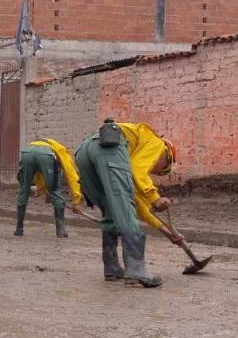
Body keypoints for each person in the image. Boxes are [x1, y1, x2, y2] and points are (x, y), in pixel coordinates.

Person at [73, 119, 183, 288]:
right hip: (110, 147)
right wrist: (154, 197)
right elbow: (138, 171)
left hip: (84, 152)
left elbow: (137, 206)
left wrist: (166, 232)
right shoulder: (158, 144)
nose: (153, 169)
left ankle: (111, 267)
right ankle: (136, 269)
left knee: (111, 208)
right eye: (158, 169)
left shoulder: (133, 150)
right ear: (167, 157)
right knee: (124, 207)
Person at [15, 138, 84, 239]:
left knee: (24, 189)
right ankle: (60, 230)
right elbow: (71, 176)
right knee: (55, 191)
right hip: (45, 155)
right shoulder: (62, 152)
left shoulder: (38, 145)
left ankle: (19, 229)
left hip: (27, 152)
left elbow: (39, 174)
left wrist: (41, 190)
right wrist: (76, 201)